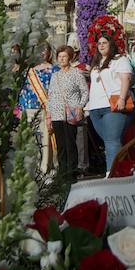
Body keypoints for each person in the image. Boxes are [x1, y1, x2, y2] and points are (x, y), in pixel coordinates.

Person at [86, 32, 133, 175]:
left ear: (111, 45)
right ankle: (122, 171)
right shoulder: (96, 62)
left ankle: (111, 174)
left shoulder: (120, 60)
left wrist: (122, 98)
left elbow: (126, 79)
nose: (101, 45)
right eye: (99, 43)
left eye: (104, 43)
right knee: (108, 141)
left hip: (112, 106)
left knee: (112, 141)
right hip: (95, 108)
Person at [47, 45, 88, 180]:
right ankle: (62, 172)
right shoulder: (55, 75)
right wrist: (49, 115)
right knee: (60, 145)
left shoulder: (76, 73)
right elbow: (50, 96)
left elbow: (84, 91)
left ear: (70, 58)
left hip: (71, 112)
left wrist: (80, 106)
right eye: (59, 57)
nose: (62, 59)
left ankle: (72, 171)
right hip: (57, 114)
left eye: (64, 56)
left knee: (70, 143)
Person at [20, 45, 57, 173]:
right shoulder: (28, 71)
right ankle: (33, 168)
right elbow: (23, 92)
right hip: (29, 109)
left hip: (46, 109)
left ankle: (45, 168)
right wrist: (21, 109)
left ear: (49, 52)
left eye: (44, 50)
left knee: (46, 140)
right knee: (31, 140)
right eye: (39, 50)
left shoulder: (54, 69)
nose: (42, 53)